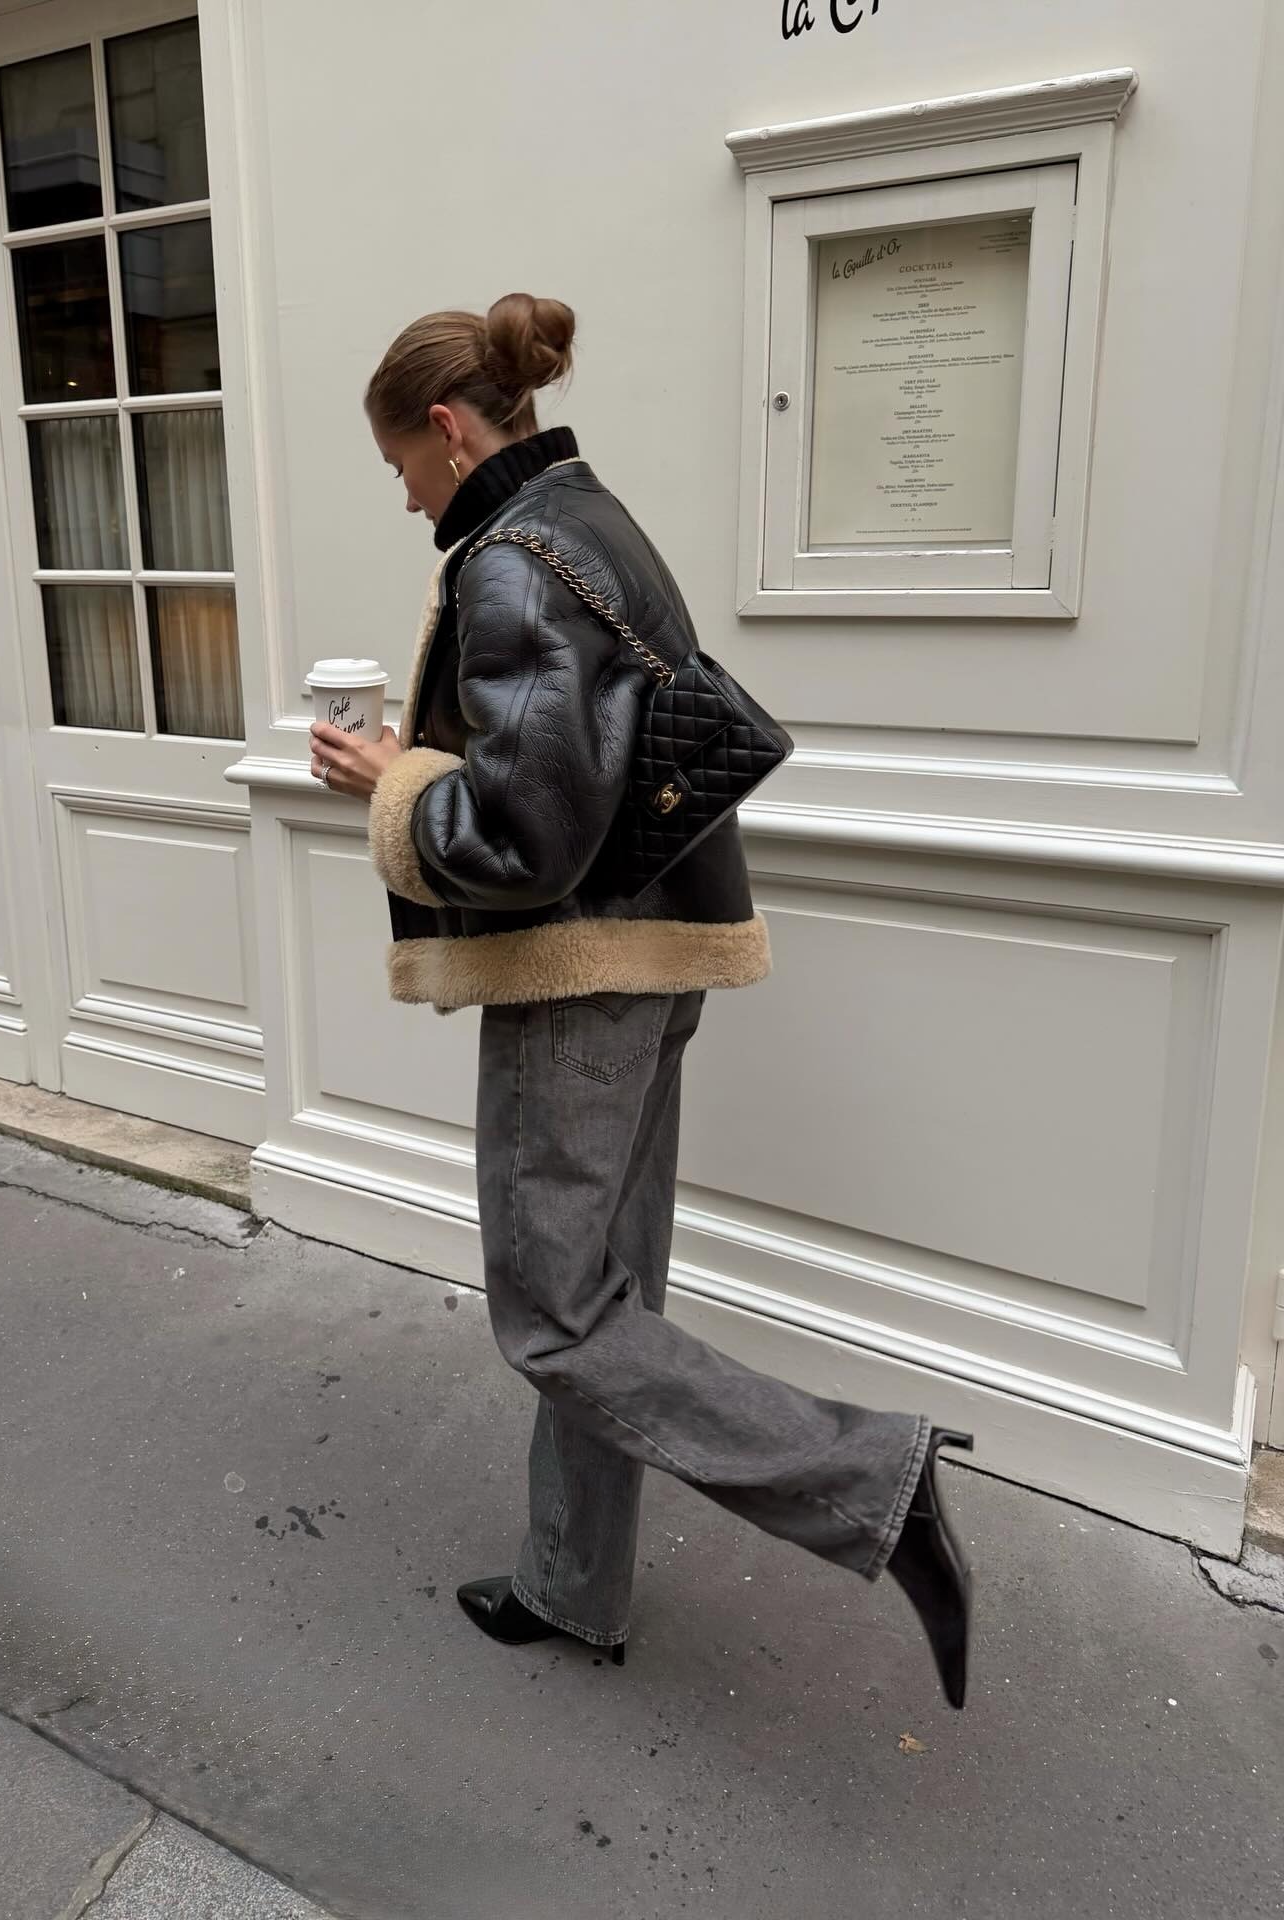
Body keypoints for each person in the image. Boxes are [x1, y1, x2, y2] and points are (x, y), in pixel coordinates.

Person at [309, 292, 974, 1708]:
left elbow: (519, 841)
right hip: (655, 962)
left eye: (401, 469)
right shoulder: (590, 513)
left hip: (582, 979)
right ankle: (575, 1581)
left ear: (444, 425)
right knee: (613, 1298)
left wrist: (392, 787)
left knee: (555, 1318)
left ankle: (875, 1481)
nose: (406, 498)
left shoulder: (513, 564)